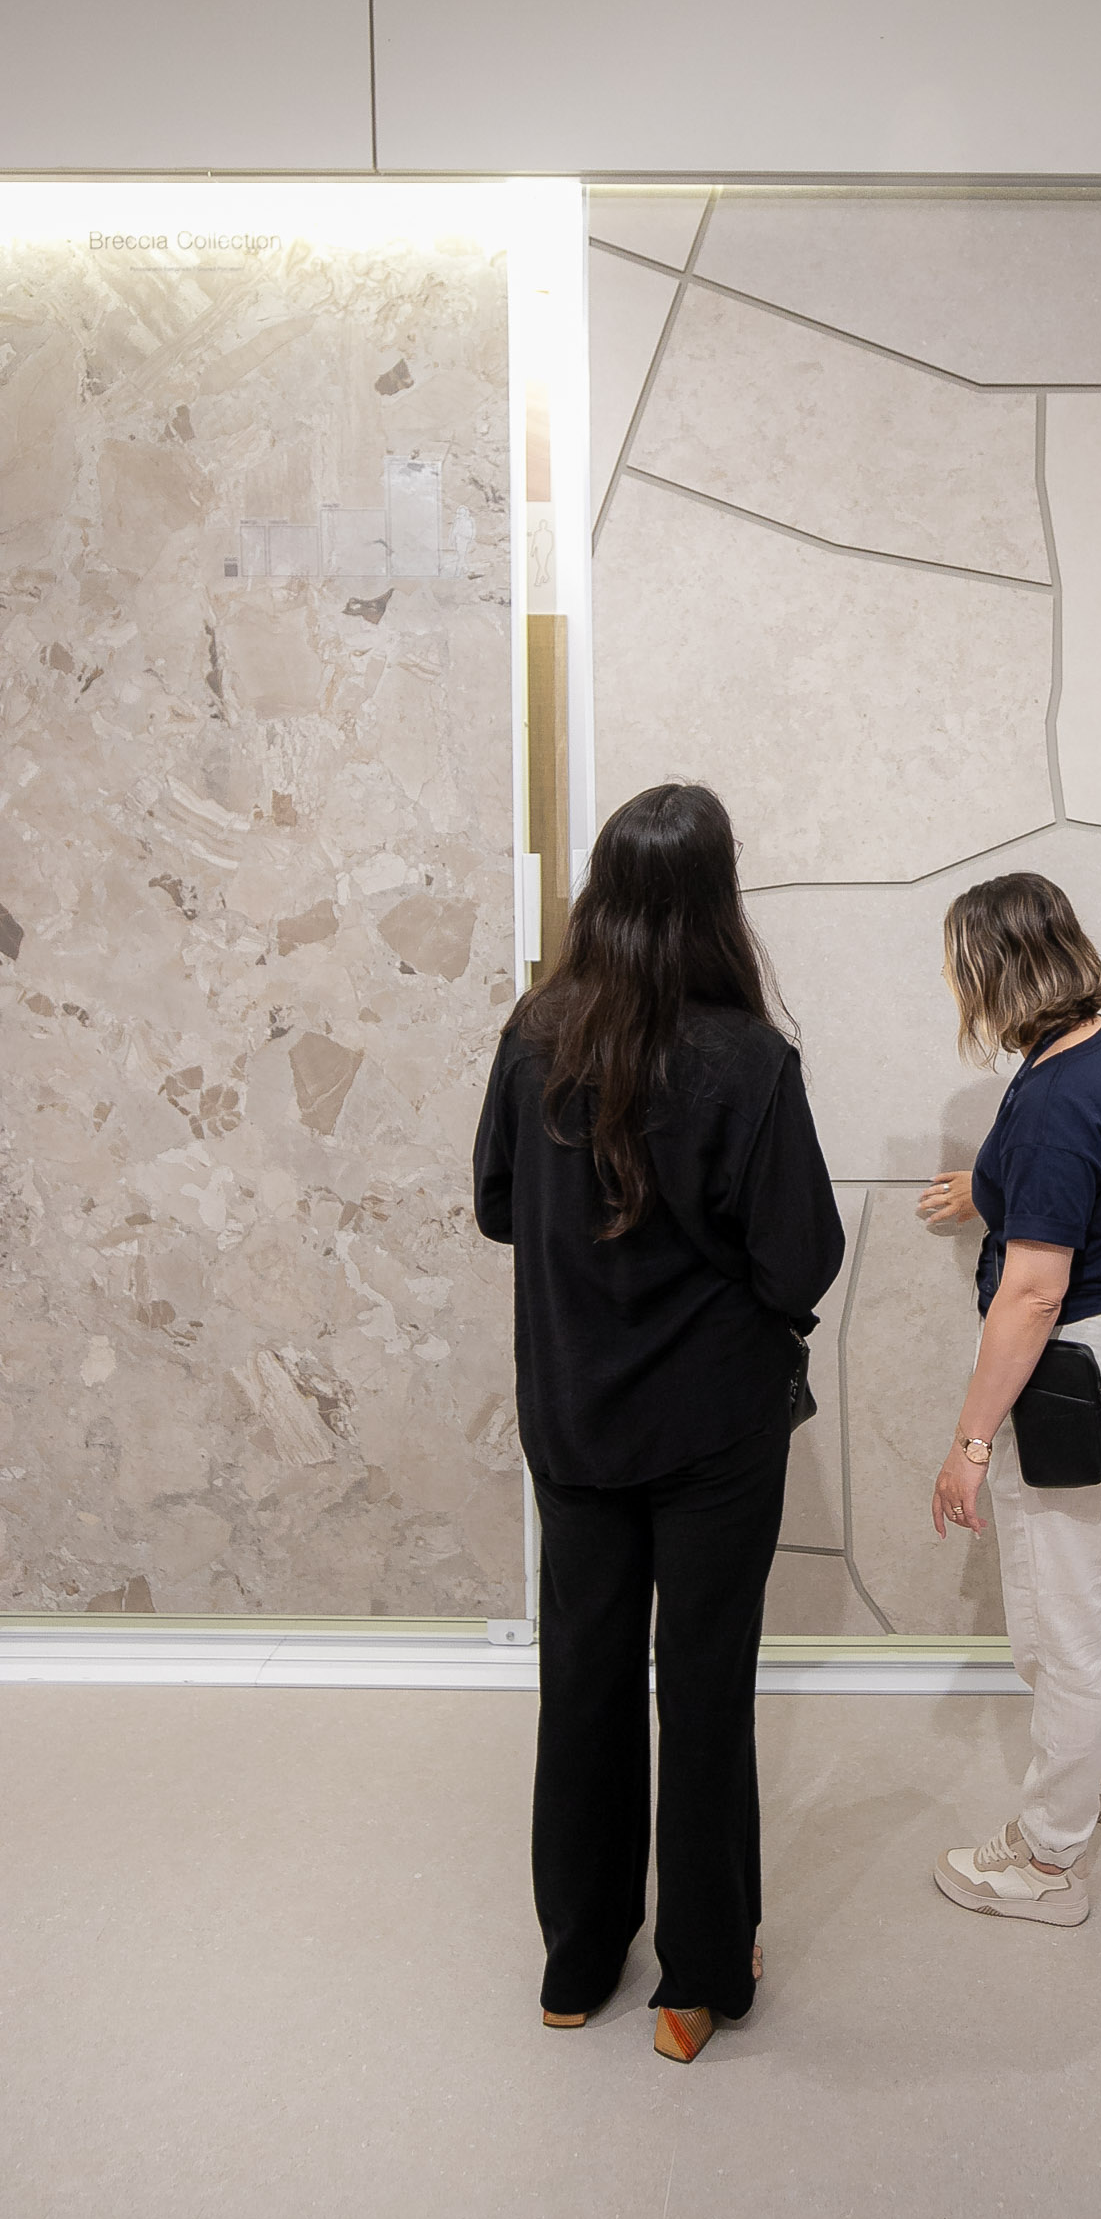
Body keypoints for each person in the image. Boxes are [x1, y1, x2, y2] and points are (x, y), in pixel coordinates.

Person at [473, 782, 844, 2060]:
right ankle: (696, 1982)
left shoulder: (533, 1036)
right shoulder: (749, 1058)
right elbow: (800, 1259)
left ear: (602, 892)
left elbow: (498, 1205)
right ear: (713, 899)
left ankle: (575, 1965)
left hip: (572, 1412)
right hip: (712, 1429)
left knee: (581, 1679)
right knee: (702, 1686)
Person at [917, 872, 1101, 1927]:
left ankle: (1045, 1861)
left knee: (1064, 1631)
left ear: (996, 970)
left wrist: (970, 1442)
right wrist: (987, 1191)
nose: (953, 984)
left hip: (1078, 1386)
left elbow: (1034, 1290)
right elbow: (1094, 1183)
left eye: (960, 965)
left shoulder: (1045, 1102)